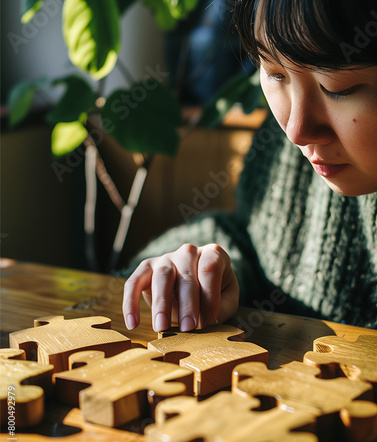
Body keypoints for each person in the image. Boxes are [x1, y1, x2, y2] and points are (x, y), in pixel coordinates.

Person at [122, 0, 377, 332]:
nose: (297, 132)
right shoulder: (282, 149)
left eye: (338, 89)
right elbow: (252, 240)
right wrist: (206, 272)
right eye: (274, 73)